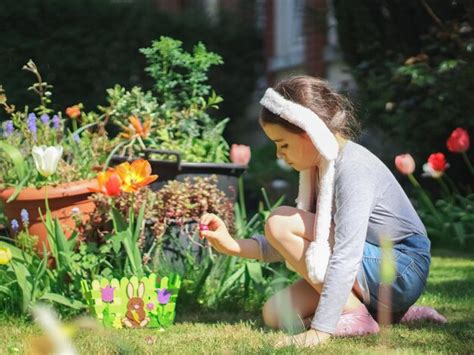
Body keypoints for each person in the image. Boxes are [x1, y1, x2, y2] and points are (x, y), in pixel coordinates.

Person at [199, 76, 446, 348]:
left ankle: (355, 315)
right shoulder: (318, 168)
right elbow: (299, 242)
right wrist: (231, 245)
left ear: (308, 133)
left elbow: (345, 252)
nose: (279, 155)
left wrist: (320, 330)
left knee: (280, 220)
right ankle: (384, 314)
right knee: (276, 313)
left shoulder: (352, 168)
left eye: (282, 144)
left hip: (400, 269)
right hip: (371, 269)